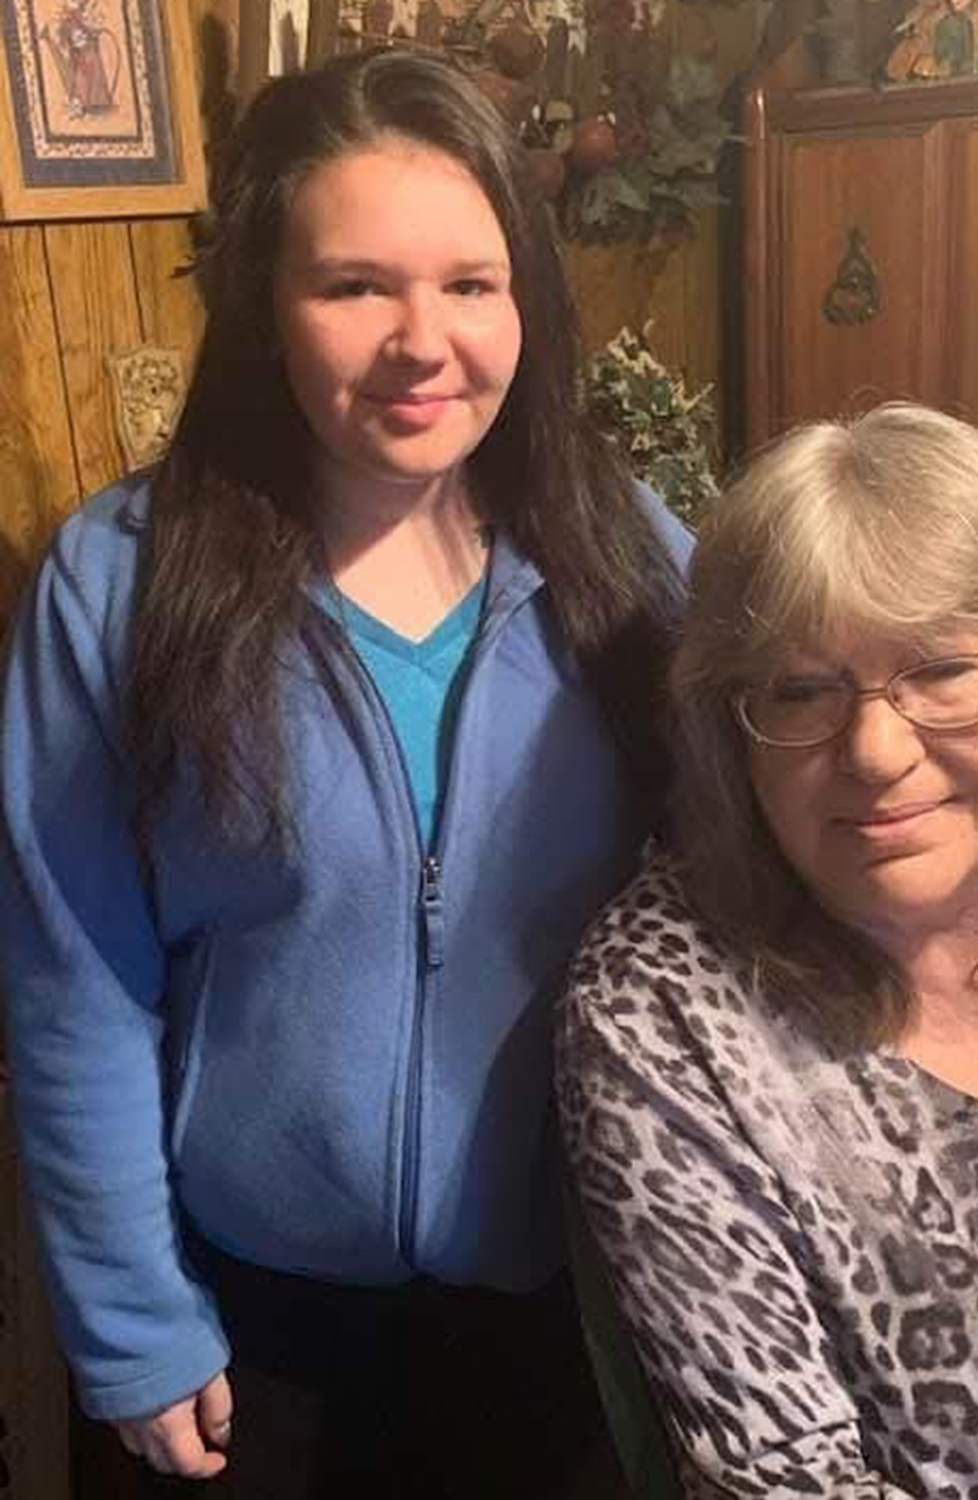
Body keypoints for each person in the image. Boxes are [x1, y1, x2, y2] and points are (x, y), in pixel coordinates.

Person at [0, 45, 689, 1498]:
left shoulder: (629, 560)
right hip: (243, 1332)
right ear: (265, 301)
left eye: (471, 283)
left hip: (571, 1311)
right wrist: (131, 1320)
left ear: (527, 298)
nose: (422, 341)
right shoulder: (120, 583)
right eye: (355, 286)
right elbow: (76, 980)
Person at [557, 402, 978, 1499]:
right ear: (729, 727)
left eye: (942, 670)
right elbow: (787, 1485)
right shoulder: (662, 1014)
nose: (876, 750)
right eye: (801, 690)